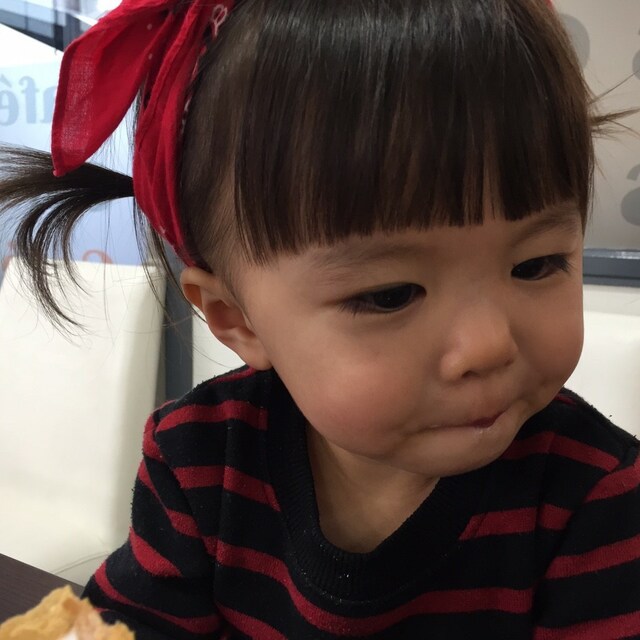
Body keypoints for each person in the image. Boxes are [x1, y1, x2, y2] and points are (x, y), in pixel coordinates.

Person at [1, 0, 639, 638]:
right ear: (237, 319)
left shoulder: (598, 499)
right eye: (390, 295)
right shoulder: (200, 460)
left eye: (536, 264)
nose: (489, 345)